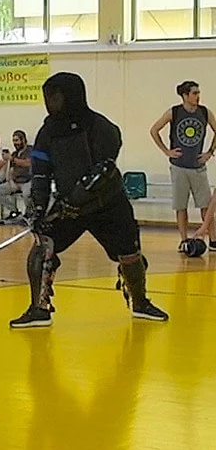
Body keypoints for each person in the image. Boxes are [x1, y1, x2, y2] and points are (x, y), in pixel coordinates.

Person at [10, 72, 168, 329]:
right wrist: (38, 209)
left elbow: (104, 169)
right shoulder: (47, 132)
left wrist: (77, 198)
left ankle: (140, 303)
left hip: (108, 204)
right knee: (43, 245)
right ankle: (38, 309)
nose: (51, 103)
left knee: (129, 254)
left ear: (72, 95)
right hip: (69, 209)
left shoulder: (100, 126)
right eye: (48, 97)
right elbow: (40, 174)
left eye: (56, 97)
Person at [149, 80, 216, 251]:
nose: (198, 96)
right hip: (179, 167)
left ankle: (213, 239)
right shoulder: (174, 112)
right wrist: (167, 151)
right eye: (194, 93)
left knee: (206, 205)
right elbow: (154, 130)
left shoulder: (205, 112)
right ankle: (184, 240)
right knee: (181, 206)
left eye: (198, 93)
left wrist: (209, 152)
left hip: (198, 167)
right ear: (185, 95)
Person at [0, 130, 33, 220]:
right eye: (14, 141)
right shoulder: (14, 153)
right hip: (15, 182)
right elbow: (10, 170)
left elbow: (28, 163)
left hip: (28, 181)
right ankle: (14, 211)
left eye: (17, 140)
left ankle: (29, 213)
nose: (15, 143)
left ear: (23, 140)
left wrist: (12, 159)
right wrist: (10, 180)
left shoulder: (30, 150)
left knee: (27, 193)